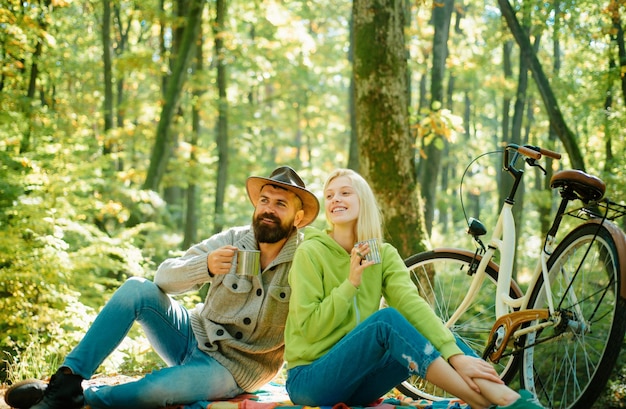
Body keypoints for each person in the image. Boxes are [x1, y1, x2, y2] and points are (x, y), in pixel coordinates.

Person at [5, 166, 319, 409]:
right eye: (264, 200)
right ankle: (68, 379)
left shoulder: (305, 259)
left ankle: (83, 396)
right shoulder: (234, 239)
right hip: (192, 335)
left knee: (157, 391)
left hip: (235, 369)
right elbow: (164, 278)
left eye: (280, 204)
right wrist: (206, 266)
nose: (268, 209)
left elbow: (315, 321)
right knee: (136, 288)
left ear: (299, 217)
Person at [283, 168, 543, 409]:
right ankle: (489, 401)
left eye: (345, 192)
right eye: (329, 195)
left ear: (363, 201)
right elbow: (309, 327)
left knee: (423, 325)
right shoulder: (311, 252)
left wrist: (454, 354)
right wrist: (350, 284)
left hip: (358, 384)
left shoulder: (382, 254)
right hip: (310, 380)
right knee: (386, 321)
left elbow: (412, 305)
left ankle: (500, 394)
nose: (335, 199)